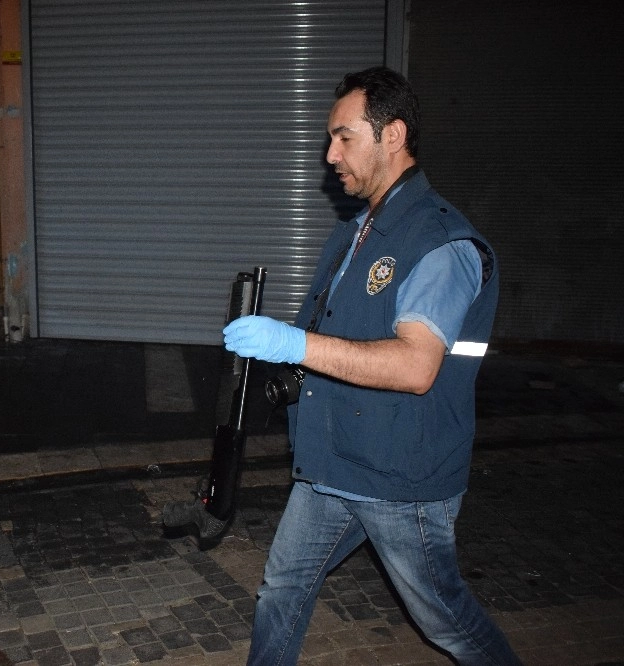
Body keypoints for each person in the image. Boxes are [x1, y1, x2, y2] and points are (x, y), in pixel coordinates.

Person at [223, 67, 521, 665]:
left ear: (394, 135)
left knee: (445, 621)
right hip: (334, 460)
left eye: (345, 137)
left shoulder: (440, 242)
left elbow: (415, 366)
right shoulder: (355, 233)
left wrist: (294, 345)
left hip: (400, 477)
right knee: (282, 588)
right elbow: (339, 334)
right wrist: (289, 370)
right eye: (329, 139)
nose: (330, 154)